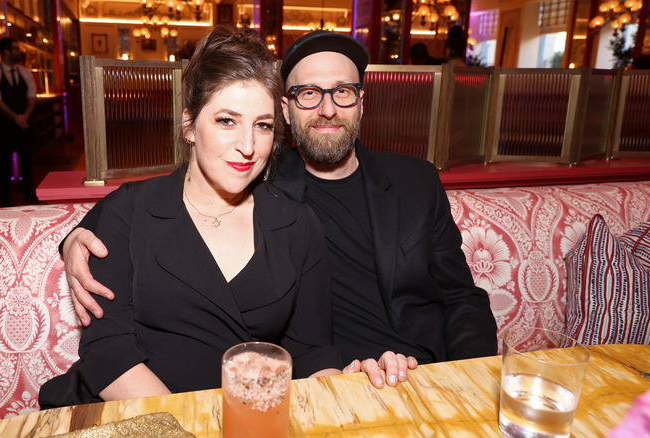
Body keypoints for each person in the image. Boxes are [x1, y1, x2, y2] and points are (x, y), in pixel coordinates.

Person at [62, 30, 497, 387]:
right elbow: (138, 215)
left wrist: (470, 378)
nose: (328, 108)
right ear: (288, 110)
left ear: (362, 101)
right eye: (309, 93)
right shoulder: (270, 178)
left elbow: (461, 297)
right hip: (330, 379)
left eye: (343, 91)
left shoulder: (411, 181)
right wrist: (72, 240)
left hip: (418, 371)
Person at [39, 25, 348, 407]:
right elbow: (108, 353)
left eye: (263, 126)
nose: (248, 146)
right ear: (189, 125)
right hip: (135, 418)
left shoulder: (297, 224)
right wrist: (185, 429)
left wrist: (341, 412)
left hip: (245, 421)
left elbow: (313, 352)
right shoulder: (130, 210)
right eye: (226, 121)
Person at [0, 37, 37, 206]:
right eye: (15, 48)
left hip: (25, 121)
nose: (18, 51)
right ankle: (5, 197)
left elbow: (31, 96)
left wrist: (25, 116)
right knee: (5, 160)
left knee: (27, 159)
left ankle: (29, 192)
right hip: (4, 123)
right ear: (6, 51)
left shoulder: (25, 72)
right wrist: (16, 117)